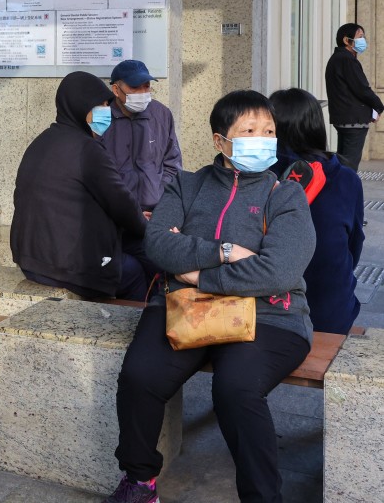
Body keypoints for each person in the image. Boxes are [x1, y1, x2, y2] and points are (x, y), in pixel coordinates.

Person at [106, 90, 316, 503]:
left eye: (268, 130)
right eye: (249, 130)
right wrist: (223, 251)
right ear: (220, 141)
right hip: (185, 307)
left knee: (236, 388)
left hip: (270, 315)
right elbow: (158, 245)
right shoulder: (186, 185)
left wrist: (198, 274)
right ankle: (139, 480)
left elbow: (278, 272)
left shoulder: (285, 194)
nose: (262, 138)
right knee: (140, 377)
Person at [11, 71, 149, 300]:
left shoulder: (41, 141)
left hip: (31, 259)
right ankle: (132, 331)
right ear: (81, 106)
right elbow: (122, 204)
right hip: (68, 266)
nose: (108, 111)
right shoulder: (88, 150)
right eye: (102, 104)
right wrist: (147, 228)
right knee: (136, 270)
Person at [270, 88, 363, 334]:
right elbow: (353, 247)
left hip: (270, 313)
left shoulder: (260, 176)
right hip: (333, 314)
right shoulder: (346, 178)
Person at [101, 59, 182, 212]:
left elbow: (172, 164)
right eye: (134, 87)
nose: (143, 93)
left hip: (154, 212)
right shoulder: (102, 118)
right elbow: (96, 170)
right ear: (116, 90)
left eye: (146, 86)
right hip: (115, 213)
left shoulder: (161, 114)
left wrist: (161, 201)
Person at [325, 22, 383, 170]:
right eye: (360, 37)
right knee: (349, 166)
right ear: (346, 40)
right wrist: (378, 105)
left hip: (344, 119)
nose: (363, 40)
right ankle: (345, 191)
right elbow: (362, 88)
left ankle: (340, 190)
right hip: (353, 120)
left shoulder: (336, 59)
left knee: (343, 163)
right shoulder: (347, 60)